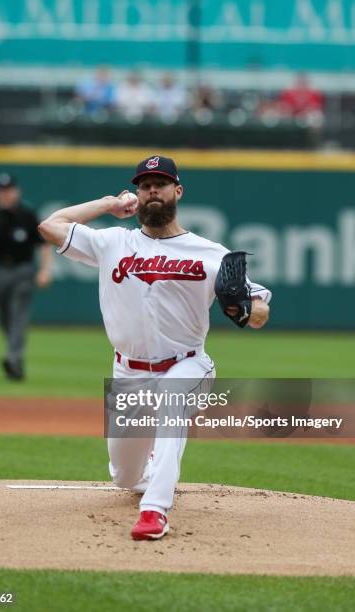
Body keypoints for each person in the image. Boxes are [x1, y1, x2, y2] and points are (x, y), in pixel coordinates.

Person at [38, 155, 271, 540]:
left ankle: (155, 512)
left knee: (171, 398)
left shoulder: (210, 253)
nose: (152, 191)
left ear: (177, 191)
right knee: (124, 478)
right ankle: (146, 471)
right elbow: (51, 226)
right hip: (127, 373)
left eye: (160, 184)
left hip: (187, 365)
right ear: (138, 194)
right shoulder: (113, 242)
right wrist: (108, 205)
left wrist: (246, 307)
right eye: (145, 185)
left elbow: (260, 310)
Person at [0, 173, 52, 380]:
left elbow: (44, 245)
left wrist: (44, 270)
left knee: (18, 315)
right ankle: (16, 357)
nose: (4, 195)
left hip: (23, 271)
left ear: (16, 191)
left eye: (7, 191)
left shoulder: (28, 216)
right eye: (0, 192)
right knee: (6, 318)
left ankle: (12, 358)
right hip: (0, 272)